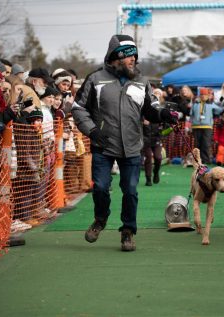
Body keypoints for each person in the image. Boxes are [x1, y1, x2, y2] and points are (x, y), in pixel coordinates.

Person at [72, 34, 178, 252]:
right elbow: (78, 108)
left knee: (130, 191)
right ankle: (100, 219)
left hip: (132, 146)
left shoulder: (142, 82)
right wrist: (92, 131)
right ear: (115, 57)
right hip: (103, 145)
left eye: (134, 57)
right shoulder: (95, 79)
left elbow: (151, 108)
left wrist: (165, 113)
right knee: (101, 187)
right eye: (128, 56)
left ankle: (128, 231)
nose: (133, 60)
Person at [190, 87, 224, 164]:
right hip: (196, 126)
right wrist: (188, 126)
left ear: (208, 95)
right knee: (197, 144)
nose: (203, 96)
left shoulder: (211, 104)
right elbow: (191, 115)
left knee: (206, 144)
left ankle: (206, 160)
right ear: (199, 95)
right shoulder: (195, 104)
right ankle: (197, 161)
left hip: (207, 127)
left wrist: (223, 104)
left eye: (205, 95)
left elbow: (219, 110)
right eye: (201, 94)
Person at [142, 88, 164, 186]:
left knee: (158, 157)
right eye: (155, 93)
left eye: (158, 94)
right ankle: (148, 178)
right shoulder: (144, 106)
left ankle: (156, 172)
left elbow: (167, 125)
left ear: (161, 96)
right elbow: (137, 117)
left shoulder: (162, 108)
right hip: (145, 137)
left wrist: (162, 131)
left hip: (157, 137)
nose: (156, 95)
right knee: (148, 157)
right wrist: (142, 121)